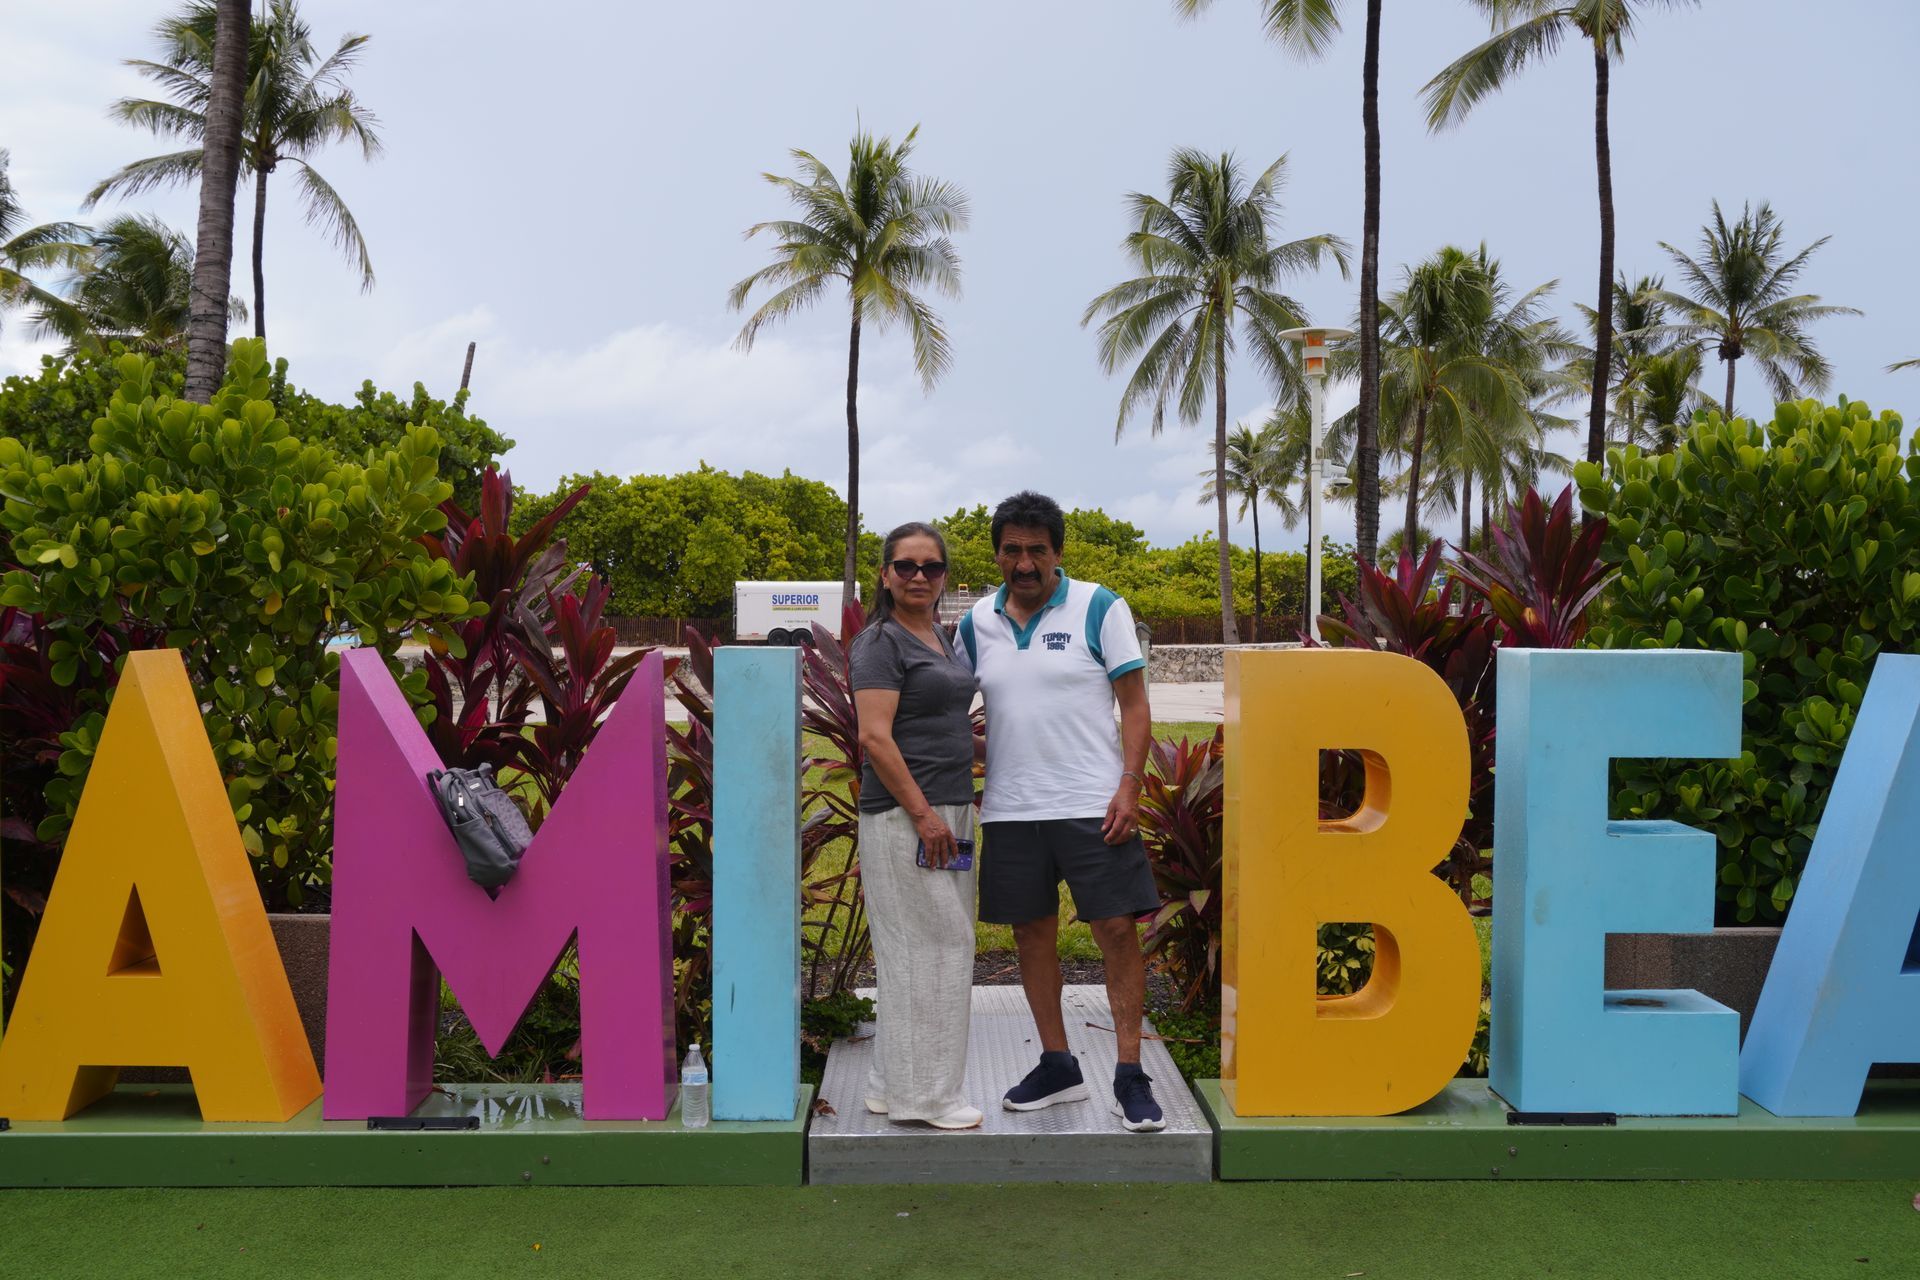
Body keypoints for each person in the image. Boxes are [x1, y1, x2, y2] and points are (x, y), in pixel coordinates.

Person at [955, 491, 1166, 1133]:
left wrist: (1129, 787)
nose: (1024, 563)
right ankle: (1058, 1064)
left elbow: (1135, 704)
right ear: (997, 554)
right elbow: (951, 710)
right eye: (1012, 550)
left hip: (1094, 805)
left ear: (1057, 552)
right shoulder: (975, 624)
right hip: (1011, 810)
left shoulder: (1099, 606)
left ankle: (1130, 1073)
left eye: (1037, 550)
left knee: (1116, 931)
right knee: (1031, 935)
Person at [849, 521, 984, 1130]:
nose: (919, 576)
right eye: (906, 566)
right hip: (908, 816)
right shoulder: (880, 642)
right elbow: (875, 737)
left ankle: (888, 1084)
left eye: (931, 566)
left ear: (944, 576)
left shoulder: (941, 637)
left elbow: (943, 721)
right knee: (936, 948)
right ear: (885, 575)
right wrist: (924, 816)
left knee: (918, 947)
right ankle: (927, 1099)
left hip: (948, 811)